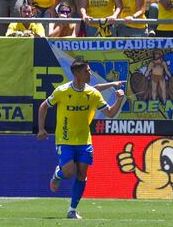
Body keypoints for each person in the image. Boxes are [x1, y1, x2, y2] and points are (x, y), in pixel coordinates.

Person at [37, 60, 125, 219]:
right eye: (87, 71)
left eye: (89, 71)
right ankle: (58, 174)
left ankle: (72, 210)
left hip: (84, 141)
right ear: (77, 74)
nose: (90, 73)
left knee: (82, 174)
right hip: (65, 140)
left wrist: (119, 100)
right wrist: (41, 129)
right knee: (69, 172)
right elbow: (44, 106)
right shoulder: (62, 91)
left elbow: (110, 113)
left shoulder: (93, 94)